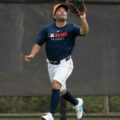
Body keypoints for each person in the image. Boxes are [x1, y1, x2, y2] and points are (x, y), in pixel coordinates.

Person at [25, 3, 89, 120]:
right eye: (59, 10)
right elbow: (38, 43)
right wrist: (32, 55)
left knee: (55, 84)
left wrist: (83, 19)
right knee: (62, 91)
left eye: (64, 10)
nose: (62, 12)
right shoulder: (47, 29)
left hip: (65, 63)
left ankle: (50, 115)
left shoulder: (71, 27)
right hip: (51, 65)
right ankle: (77, 103)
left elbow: (84, 31)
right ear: (54, 15)